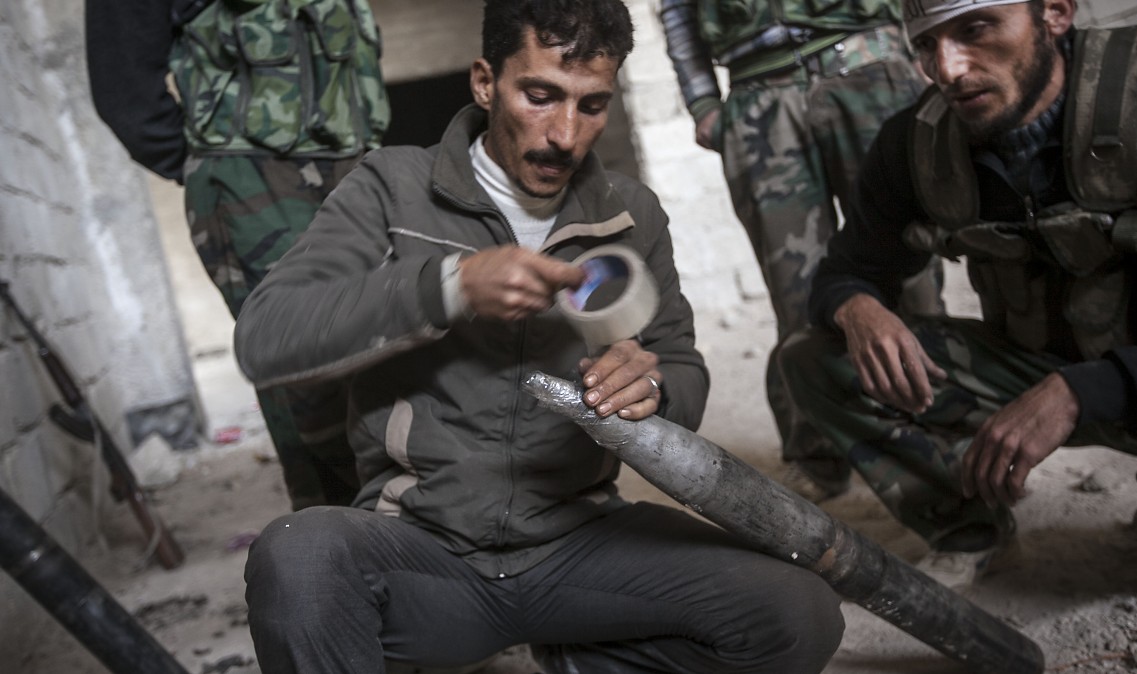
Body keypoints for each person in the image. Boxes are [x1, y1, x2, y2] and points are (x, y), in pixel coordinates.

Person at [233, 1, 845, 672]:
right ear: (484, 82)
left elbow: (680, 367)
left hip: (579, 542)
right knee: (298, 556)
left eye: (591, 106)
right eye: (540, 95)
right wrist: (448, 287)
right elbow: (265, 340)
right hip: (424, 551)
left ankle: (577, 660)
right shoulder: (391, 190)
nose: (564, 133)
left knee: (796, 613)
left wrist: (654, 388)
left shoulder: (629, 215)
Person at [782, 0, 1137, 591]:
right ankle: (969, 529)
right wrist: (857, 304)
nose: (946, 68)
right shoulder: (916, 144)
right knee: (814, 358)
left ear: (1054, 12)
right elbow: (845, 271)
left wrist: (1080, 391)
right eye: (926, 44)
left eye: (975, 30)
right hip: (1023, 370)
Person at [85, 0, 391, 509]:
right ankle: (338, 558)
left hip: (354, 166)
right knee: (305, 380)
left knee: (382, 355)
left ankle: (402, 541)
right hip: (253, 180)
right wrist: (209, 164)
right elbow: (125, 93)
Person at [659, 0, 943, 504]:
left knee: (913, 278)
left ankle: (949, 445)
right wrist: (702, 101)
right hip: (759, 97)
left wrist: (931, 47)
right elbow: (677, 7)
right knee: (799, 301)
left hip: (871, 72)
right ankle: (820, 458)